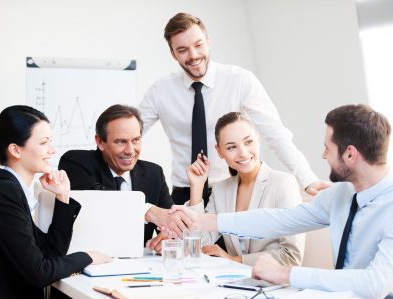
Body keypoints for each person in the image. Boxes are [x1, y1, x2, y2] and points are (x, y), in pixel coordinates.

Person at [170, 104, 393, 298]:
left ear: (350, 155)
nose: (323, 155)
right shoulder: (340, 194)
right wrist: (206, 222)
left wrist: (285, 273)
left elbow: (375, 285)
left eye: (327, 147)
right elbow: (281, 219)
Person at [138, 12, 329, 206]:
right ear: (173, 53)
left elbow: (274, 133)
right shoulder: (160, 91)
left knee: (234, 238)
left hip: (233, 189)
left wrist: (307, 179)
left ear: (208, 41)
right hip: (184, 191)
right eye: (183, 50)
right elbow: (129, 134)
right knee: (189, 238)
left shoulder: (240, 80)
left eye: (198, 45)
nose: (194, 55)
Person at [0, 105, 111, 299]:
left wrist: (62, 196)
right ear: (15, 150)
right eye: (43, 143)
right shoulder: (5, 192)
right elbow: (40, 272)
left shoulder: (13, 189)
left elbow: (50, 255)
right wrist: (87, 257)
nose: (52, 150)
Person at [58, 104, 192, 243]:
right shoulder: (75, 162)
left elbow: (169, 218)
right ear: (100, 142)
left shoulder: (154, 173)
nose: (130, 150)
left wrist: (168, 237)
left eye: (136, 140)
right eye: (120, 142)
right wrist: (149, 211)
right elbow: (100, 200)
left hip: (139, 261)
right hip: (91, 259)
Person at [185, 112, 305, 266]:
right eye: (231, 147)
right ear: (219, 151)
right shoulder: (221, 190)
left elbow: (292, 256)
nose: (243, 153)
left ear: (258, 140)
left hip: (274, 285)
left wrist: (235, 260)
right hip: (233, 284)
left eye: (248, 142)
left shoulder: (283, 184)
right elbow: (199, 245)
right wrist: (197, 186)